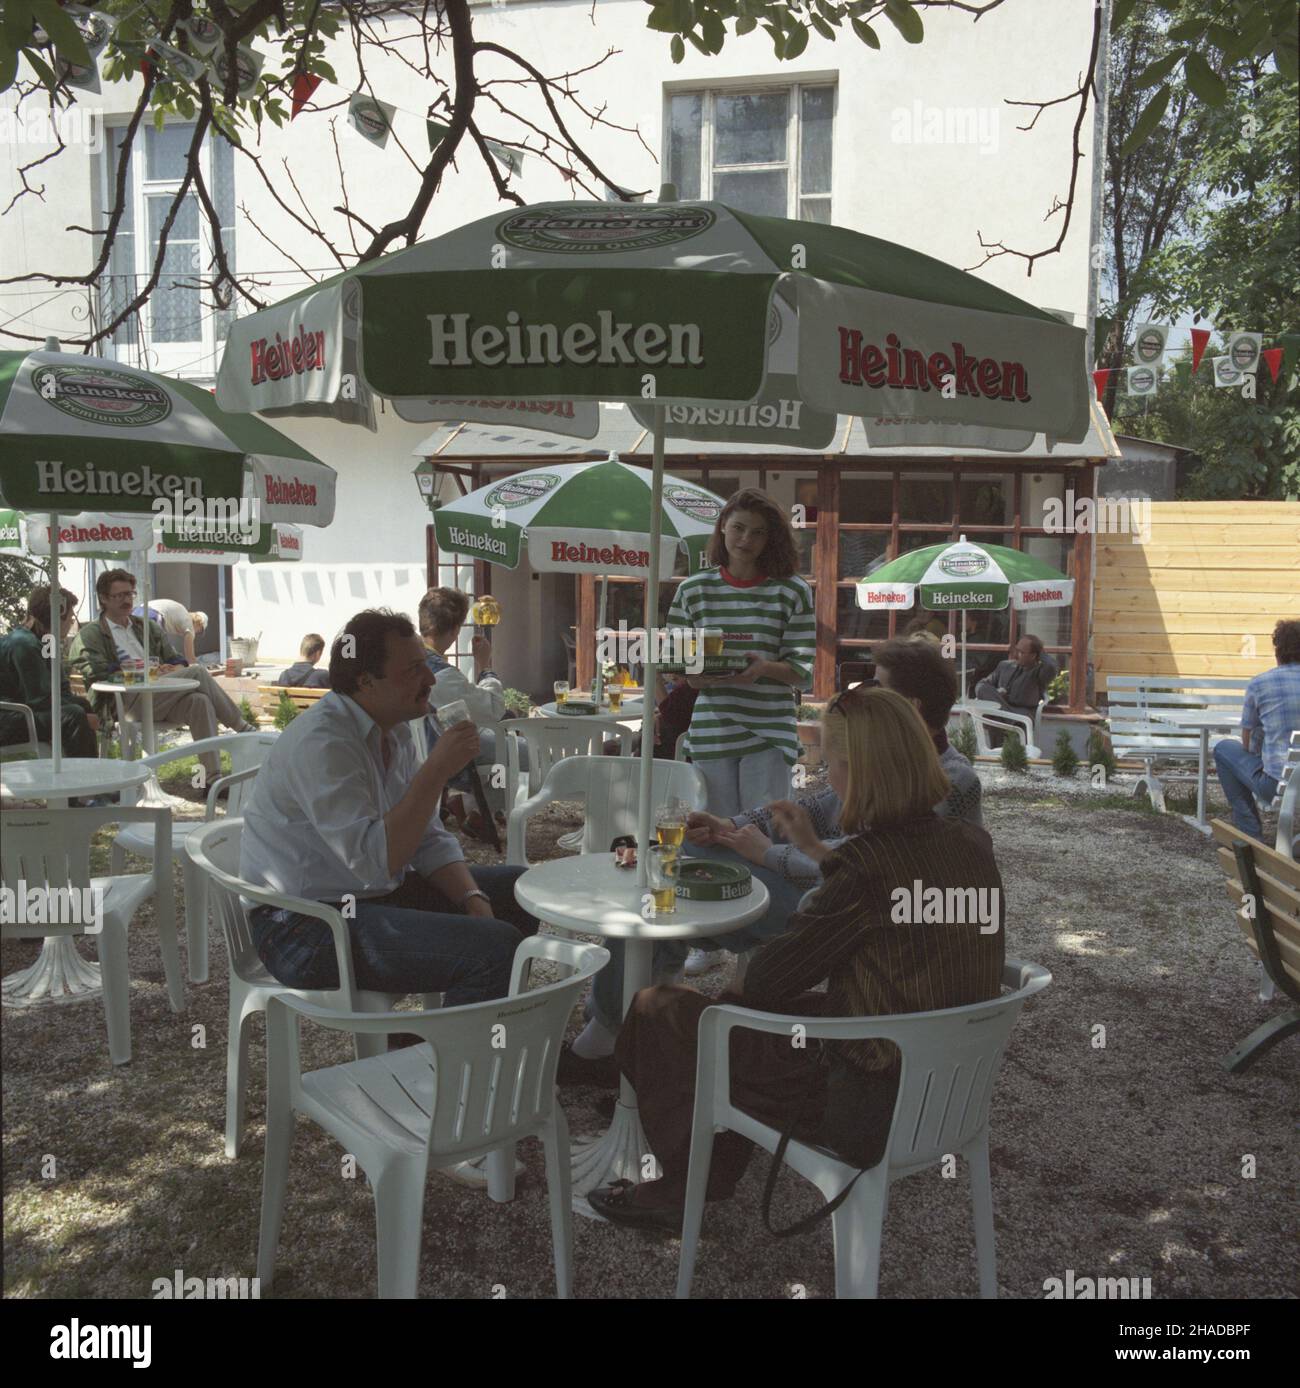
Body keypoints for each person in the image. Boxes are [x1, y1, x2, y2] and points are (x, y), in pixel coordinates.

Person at [586, 686, 1006, 1230]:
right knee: (732, 1019)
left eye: (829, 764)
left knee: (658, 1011)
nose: (826, 778)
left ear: (858, 770)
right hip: (951, 1086)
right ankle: (708, 1158)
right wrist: (812, 852)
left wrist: (732, 997)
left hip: (868, 1102)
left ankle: (683, 1185)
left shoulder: (864, 866)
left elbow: (765, 980)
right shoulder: (972, 845)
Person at [557, 634, 985, 1084]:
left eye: (877, 688)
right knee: (681, 861)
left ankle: (637, 1032)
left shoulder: (948, 781)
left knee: (675, 894)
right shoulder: (890, 769)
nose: (865, 697)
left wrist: (768, 853)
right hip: (866, 938)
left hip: (864, 1001)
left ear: (910, 708)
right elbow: (817, 812)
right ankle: (626, 1020)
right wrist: (728, 825)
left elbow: (869, 865)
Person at [241, 608, 538, 1004]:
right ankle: (459, 1061)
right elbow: (375, 863)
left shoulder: (392, 731)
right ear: (366, 682)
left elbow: (427, 838)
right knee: (493, 947)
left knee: (519, 891)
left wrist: (473, 899)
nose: (431, 679)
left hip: (367, 897)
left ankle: (471, 1042)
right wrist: (435, 772)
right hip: (302, 927)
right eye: (414, 669)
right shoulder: (325, 744)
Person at [666, 488, 815, 816]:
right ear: (722, 527)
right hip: (712, 731)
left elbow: (802, 670)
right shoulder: (693, 590)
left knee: (765, 834)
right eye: (738, 527)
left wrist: (763, 668)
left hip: (769, 731)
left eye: (758, 532)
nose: (746, 539)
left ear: (770, 539)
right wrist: (695, 676)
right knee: (715, 831)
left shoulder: (792, 591)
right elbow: (674, 665)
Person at [68, 568, 255, 778]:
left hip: (159, 695)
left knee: (199, 701)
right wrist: (147, 673)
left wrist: (174, 667)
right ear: (103, 598)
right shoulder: (91, 635)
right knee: (197, 672)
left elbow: (176, 658)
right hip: (123, 701)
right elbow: (100, 673)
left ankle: (211, 778)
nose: (126, 600)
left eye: (129, 594)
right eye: (119, 595)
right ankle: (244, 730)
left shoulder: (146, 626)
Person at [417, 587, 516, 830]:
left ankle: (467, 805)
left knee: (494, 741)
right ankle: (484, 810)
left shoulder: (408, 661)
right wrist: (485, 665)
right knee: (516, 752)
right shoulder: (441, 675)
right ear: (455, 629)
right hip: (444, 754)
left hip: (418, 747)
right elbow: (492, 709)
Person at [1213, 619, 1300, 840]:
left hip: (1278, 787)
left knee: (1224, 749)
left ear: (1278, 650)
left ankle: (1250, 836)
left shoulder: (1260, 684)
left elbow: (1247, 743)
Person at [0, 584, 99, 758]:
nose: (71, 621)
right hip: (9, 720)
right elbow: (39, 699)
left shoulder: (47, 641)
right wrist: (83, 716)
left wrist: (84, 710)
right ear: (55, 616)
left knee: (81, 705)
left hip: (28, 712)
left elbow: (61, 689)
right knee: (74, 716)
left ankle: (86, 772)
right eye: (69, 616)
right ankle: (88, 780)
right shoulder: (24, 645)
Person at [974, 634, 1056, 716]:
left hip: (1022, 714)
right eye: (1017, 650)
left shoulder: (1040, 672)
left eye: (1021, 652)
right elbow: (982, 685)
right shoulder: (1004, 665)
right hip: (999, 712)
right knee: (982, 688)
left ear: (1033, 655)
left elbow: (1051, 666)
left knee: (992, 714)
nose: (1016, 655)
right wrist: (997, 693)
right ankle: (1007, 718)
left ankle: (1006, 718)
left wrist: (1040, 650)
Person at [134, 598, 207, 665]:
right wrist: (197, 668)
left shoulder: (181, 614)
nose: (197, 633)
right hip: (152, 615)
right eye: (200, 631)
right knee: (156, 656)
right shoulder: (189, 624)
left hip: (137, 611)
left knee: (138, 648)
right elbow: (190, 657)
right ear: (199, 623)